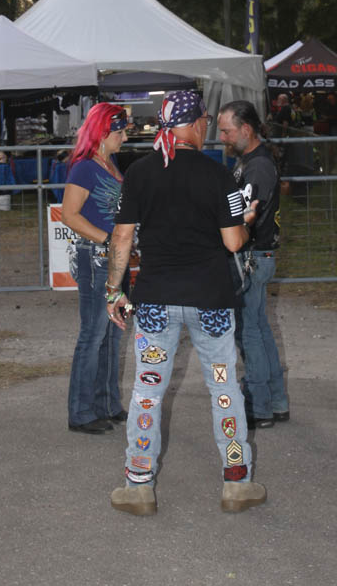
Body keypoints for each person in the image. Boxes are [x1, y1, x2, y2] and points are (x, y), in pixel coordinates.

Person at [105, 90, 267, 516]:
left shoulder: (138, 173)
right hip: (210, 301)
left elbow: (122, 237)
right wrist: (245, 222)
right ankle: (236, 483)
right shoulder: (220, 176)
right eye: (205, 120)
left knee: (147, 391)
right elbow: (233, 241)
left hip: (156, 300)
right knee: (224, 388)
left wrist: (113, 291)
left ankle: (138, 484)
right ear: (196, 124)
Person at [217, 100, 290, 430]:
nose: (222, 137)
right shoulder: (251, 161)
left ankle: (259, 405)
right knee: (258, 329)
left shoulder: (257, 167)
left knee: (249, 333)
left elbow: (245, 217)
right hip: (259, 256)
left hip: (252, 257)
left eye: (227, 131)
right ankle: (275, 401)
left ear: (246, 130)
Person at [61, 103, 131, 435]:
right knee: (93, 333)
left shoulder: (109, 163)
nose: (125, 136)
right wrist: (107, 240)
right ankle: (81, 411)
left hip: (114, 257)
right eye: (120, 131)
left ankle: (107, 404)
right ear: (103, 132)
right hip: (97, 257)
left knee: (113, 331)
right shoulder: (85, 168)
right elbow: (69, 215)